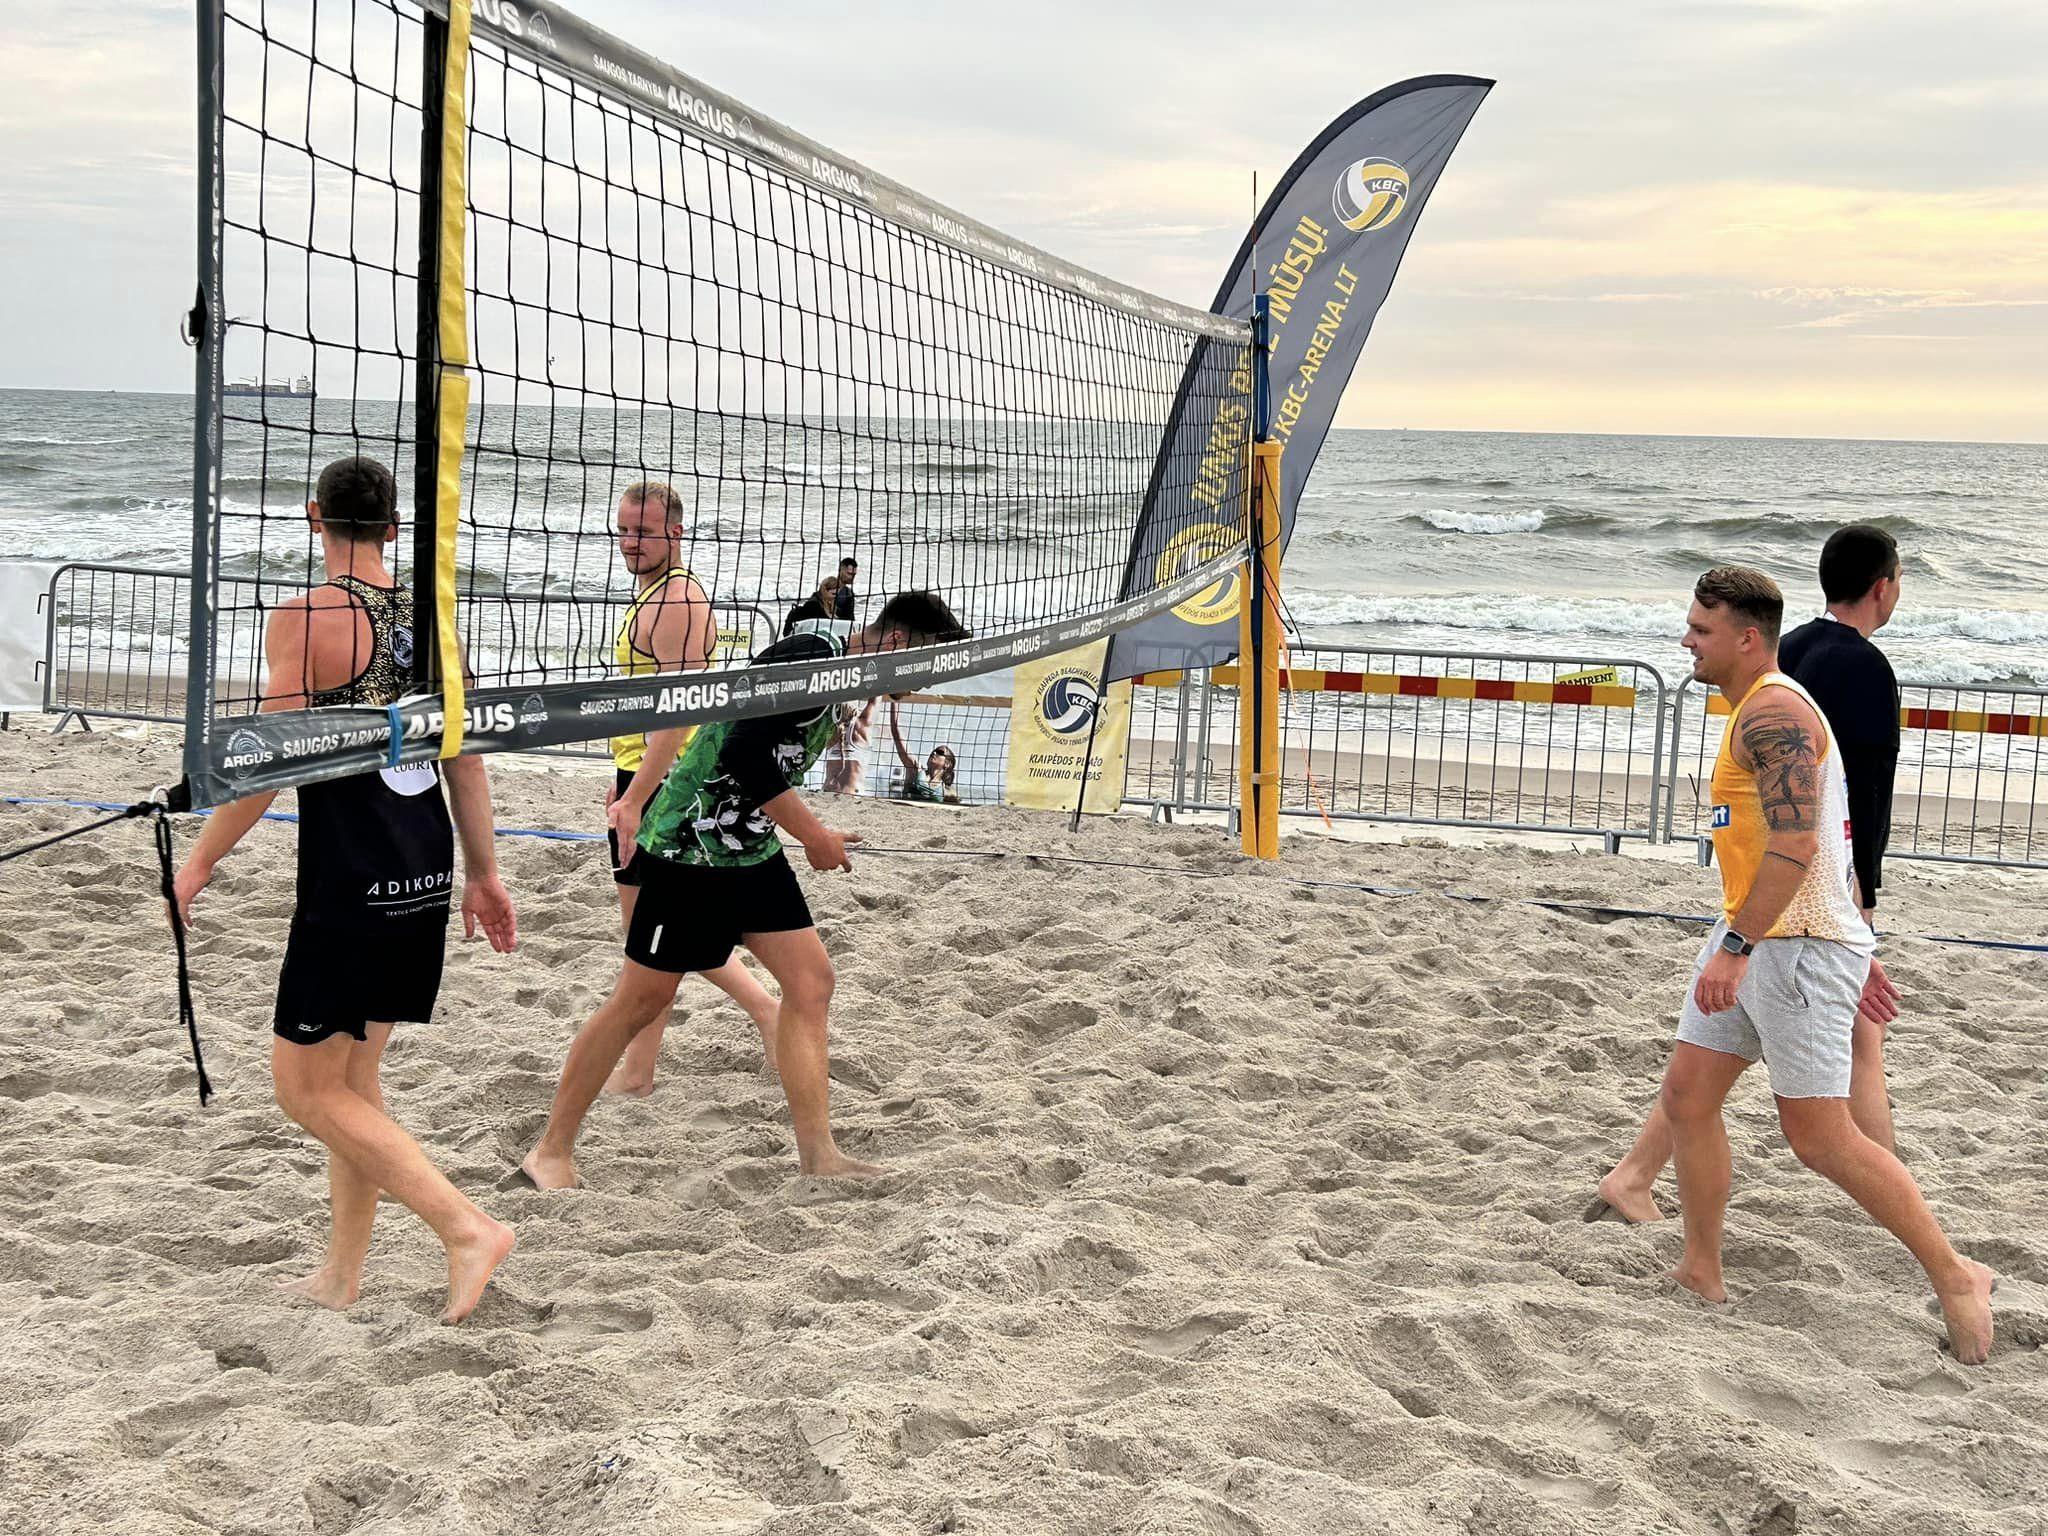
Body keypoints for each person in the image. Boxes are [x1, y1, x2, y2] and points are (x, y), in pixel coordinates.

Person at [172, 456, 518, 1324]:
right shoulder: (433, 619)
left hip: (352, 874)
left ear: (312, 516)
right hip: (424, 865)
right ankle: (341, 1275)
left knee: (306, 1090)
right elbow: (465, 759)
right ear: (395, 529)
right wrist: (483, 874)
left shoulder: (308, 615)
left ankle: (468, 1228)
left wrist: (202, 859)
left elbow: (270, 762)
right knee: (354, 1085)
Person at [1644, 566, 1991, 1361]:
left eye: (1700, 629)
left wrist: (1744, 947)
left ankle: (1956, 1274)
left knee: (1820, 1139)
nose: (1686, 640)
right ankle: (1701, 1269)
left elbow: (1798, 843)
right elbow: (1822, 839)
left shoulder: (1775, 713)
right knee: (1688, 1098)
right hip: (1762, 932)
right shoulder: (1754, 708)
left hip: (1790, 946)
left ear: (1747, 638)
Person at [521, 591, 969, 1189]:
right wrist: (814, 836)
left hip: (747, 845)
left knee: (811, 983)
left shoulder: (841, 673)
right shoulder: (813, 656)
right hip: (689, 845)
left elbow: (763, 764)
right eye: (924, 664)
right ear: (895, 643)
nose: (925, 682)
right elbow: (742, 753)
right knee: (641, 1001)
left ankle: (819, 1155)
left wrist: (805, 831)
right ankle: (550, 1152)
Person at [1597, 527, 1906, 1219]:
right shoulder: (1857, 668)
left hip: (1774, 901)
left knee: (1705, 1075)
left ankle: (1637, 1175)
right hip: (1802, 903)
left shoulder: (1789, 650)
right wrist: (1858, 911)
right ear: (1883, 587)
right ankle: (1892, 1205)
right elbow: (1856, 802)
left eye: (1698, 630)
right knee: (1844, 1070)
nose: (1690, 641)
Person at [600, 481, 781, 1099]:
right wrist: (622, 782)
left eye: (643, 532)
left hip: (666, 785)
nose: (630, 542)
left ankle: (765, 1013)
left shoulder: (676, 599)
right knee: (649, 942)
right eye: (623, 530)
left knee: (651, 944)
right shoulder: (654, 592)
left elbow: (677, 716)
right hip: (644, 774)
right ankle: (641, 1072)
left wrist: (634, 799)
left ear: (675, 533)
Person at [888, 697, 958, 803]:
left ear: (947, 764)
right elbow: (896, 733)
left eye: (940, 752)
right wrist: (894, 699)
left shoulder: (947, 791)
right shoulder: (915, 769)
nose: (934, 753)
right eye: (934, 751)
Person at [834, 556, 858, 623]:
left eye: (854, 574)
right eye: (849, 573)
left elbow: (850, 617)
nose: (852, 577)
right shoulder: (827, 587)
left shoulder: (849, 593)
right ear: (840, 570)